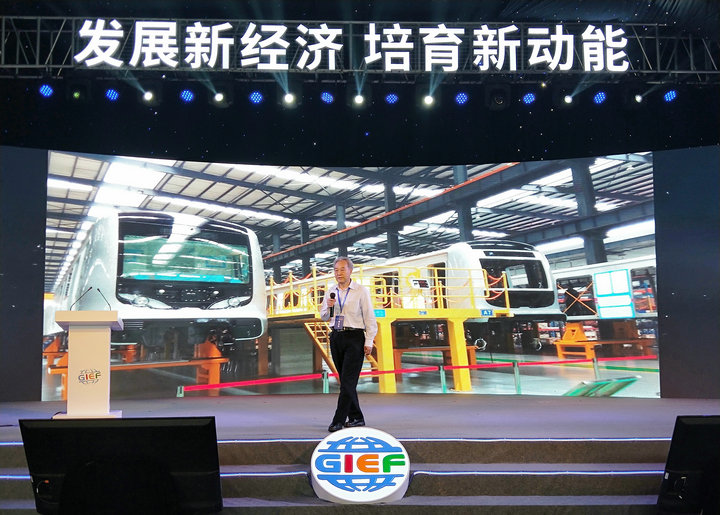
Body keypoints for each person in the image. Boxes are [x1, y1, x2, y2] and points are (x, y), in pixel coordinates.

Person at [320, 256, 377, 432]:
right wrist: (329, 306)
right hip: (336, 336)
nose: (339, 273)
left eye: (342, 269)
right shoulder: (331, 291)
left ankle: (338, 420)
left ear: (350, 271)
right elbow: (324, 317)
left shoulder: (361, 291)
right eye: (336, 270)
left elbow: (369, 317)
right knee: (346, 381)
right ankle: (356, 418)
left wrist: (369, 341)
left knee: (348, 381)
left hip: (355, 337)